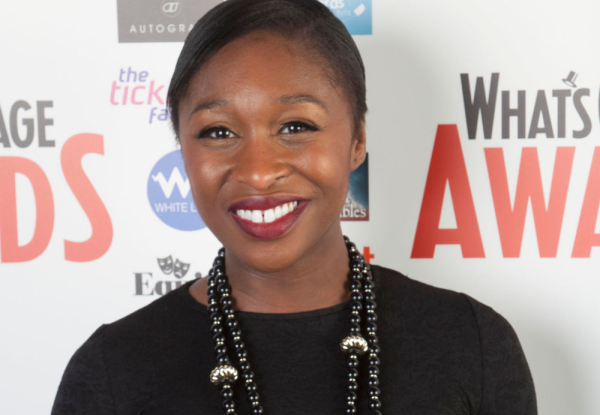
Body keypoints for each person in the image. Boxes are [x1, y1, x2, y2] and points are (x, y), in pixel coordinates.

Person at [52, 0, 537, 414]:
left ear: (357, 140)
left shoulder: (470, 343)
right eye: (218, 132)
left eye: (296, 126)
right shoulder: (112, 369)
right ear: (182, 148)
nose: (259, 171)